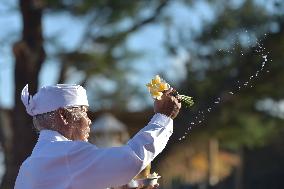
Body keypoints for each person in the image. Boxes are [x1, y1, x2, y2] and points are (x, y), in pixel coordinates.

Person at [14, 83, 181, 189]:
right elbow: (131, 159)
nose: (89, 122)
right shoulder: (66, 154)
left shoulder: (29, 166)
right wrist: (163, 117)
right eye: (85, 113)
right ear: (63, 116)